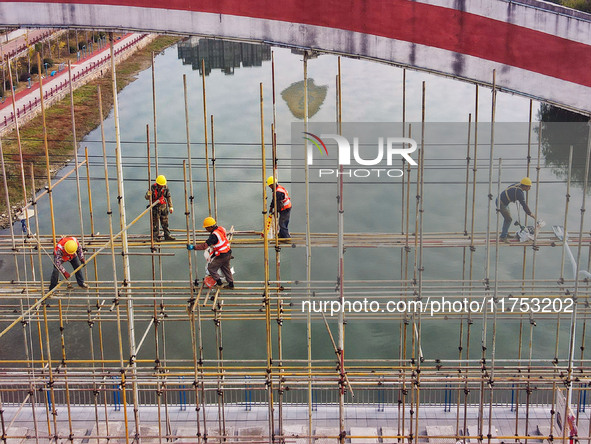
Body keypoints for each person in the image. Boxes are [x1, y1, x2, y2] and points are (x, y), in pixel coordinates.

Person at [187, 217, 234, 289]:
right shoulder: (221, 229)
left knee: (211, 268)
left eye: (206, 228)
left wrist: (193, 247)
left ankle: (219, 283)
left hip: (222, 255)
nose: (206, 230)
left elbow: (204, 246)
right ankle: (231, 284)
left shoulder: (213, 236)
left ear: (211, 227)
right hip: (228, 252)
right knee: (225, 268)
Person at [497, 177, 535, 243]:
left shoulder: (518, 185)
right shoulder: (519, 193)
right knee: (509, 219)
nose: (530, 188)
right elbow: (524, 205)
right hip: (501, 203)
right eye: (529, 186)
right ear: (525, 186)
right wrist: (530, 214)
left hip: (503, 202)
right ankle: (503, 237)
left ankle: (505, 233)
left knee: (507, 219)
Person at [145, 174, 175, 241]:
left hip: (163, 207)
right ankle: (155, 237)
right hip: (155, 207)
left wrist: (171, 207)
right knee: (155, 223)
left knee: (165, 222)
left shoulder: (165, 188)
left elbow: (168, 197)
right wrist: (148, 194)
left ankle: (167, 235)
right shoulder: (153, 187)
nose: (162, 186)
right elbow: (147, 198)